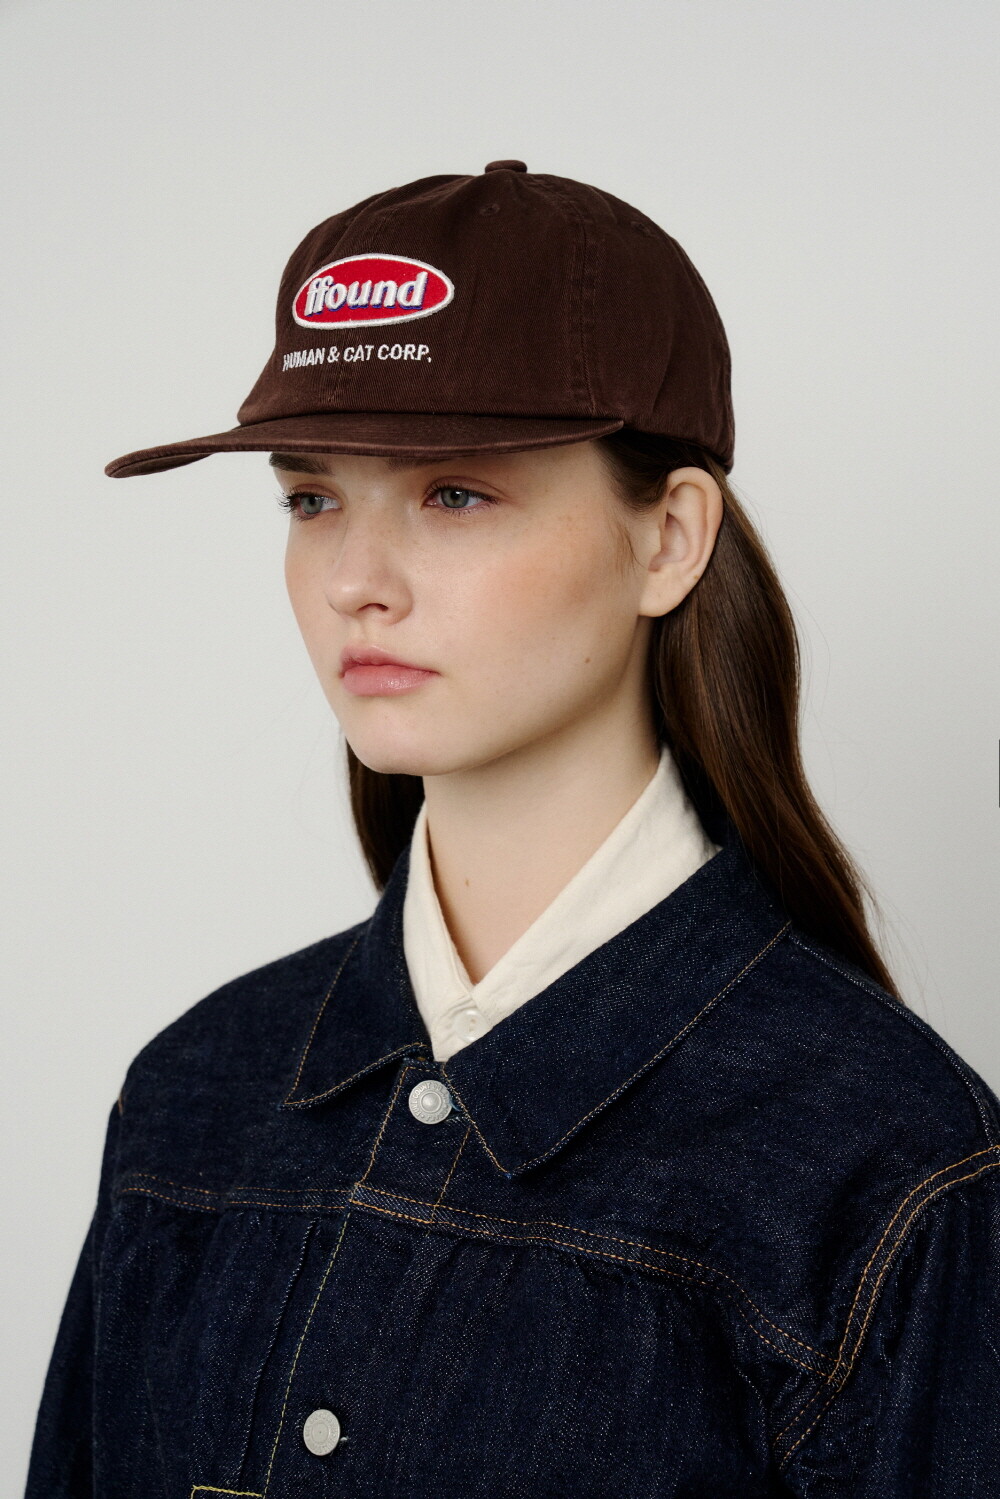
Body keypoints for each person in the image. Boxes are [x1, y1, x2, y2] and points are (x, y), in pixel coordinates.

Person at [25, 161, 1000, 1497]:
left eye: (455, 495)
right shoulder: (192, 1101)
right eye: (311, 500)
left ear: (669, 539)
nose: (356, 583)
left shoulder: (888, 1167)